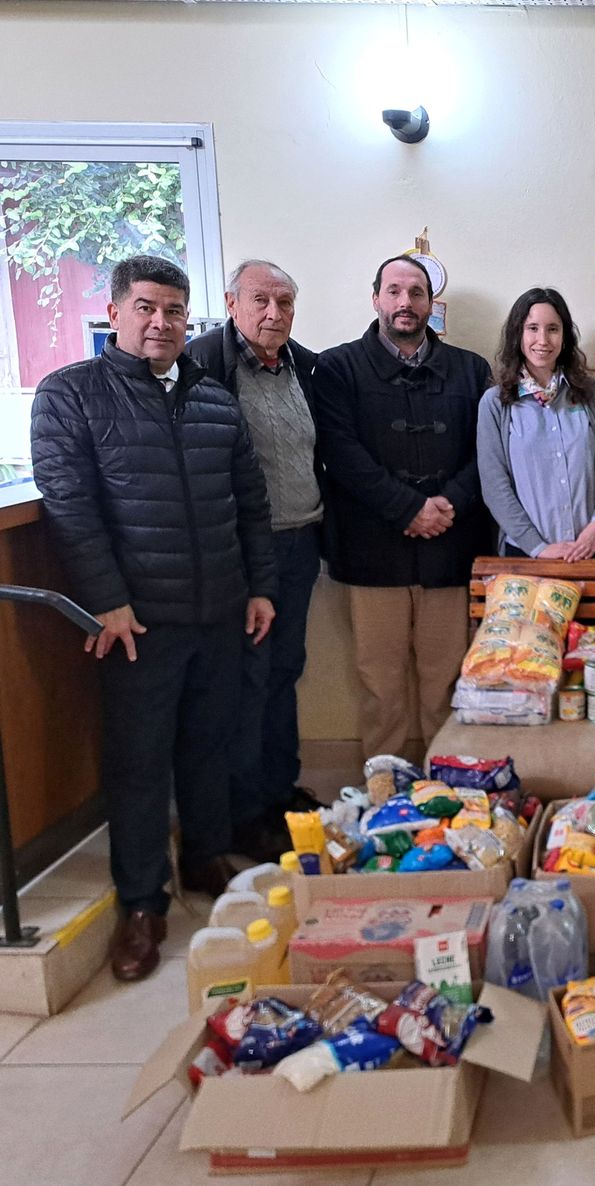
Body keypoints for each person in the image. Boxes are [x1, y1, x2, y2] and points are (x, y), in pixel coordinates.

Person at [30, 255, 276, 981]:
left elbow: (250, 502)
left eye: (174, 311)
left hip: (219, 609)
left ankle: (203, 858)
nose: (161, 323)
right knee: (139, 766)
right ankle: (142, 903)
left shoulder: (213, 398)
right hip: (136, 620)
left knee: (208, 744)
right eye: (145, 308)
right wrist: (106, 600)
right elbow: (70, 510)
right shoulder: (71, 395)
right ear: (115, 314)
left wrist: (260, 586)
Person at [314, 256, 492, 759]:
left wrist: (448, 503)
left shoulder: (471, 368)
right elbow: (339, 452)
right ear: (376, 299)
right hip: (372, 553)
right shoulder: (336, 366)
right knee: (380, 685)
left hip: (450, 551)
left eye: (416, 292)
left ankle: (447, 788)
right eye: (394, 291)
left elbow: (489, 453)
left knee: (447, 681)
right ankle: (385, 791)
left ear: (432, 303)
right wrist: (407, 508)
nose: (405, 302)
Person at [185, 259, 323, 863]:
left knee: (285, 671)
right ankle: (244, 815)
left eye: (285, 302)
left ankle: (278, 792)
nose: (274, 313)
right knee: (247, 681)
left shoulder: (305, 366)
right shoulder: (203, 364)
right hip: (244, 551)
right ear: (232, 301)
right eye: (261, 300)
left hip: (301, 542)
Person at [478, 288, 595, 560]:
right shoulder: (495, 403)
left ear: (565, 336)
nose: (543, 339)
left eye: (552, 328)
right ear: (518, 334)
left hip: (592, 551)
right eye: (532, 328)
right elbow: (495, 486)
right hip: (526, 555)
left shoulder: (591, 393)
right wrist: (539, 548)